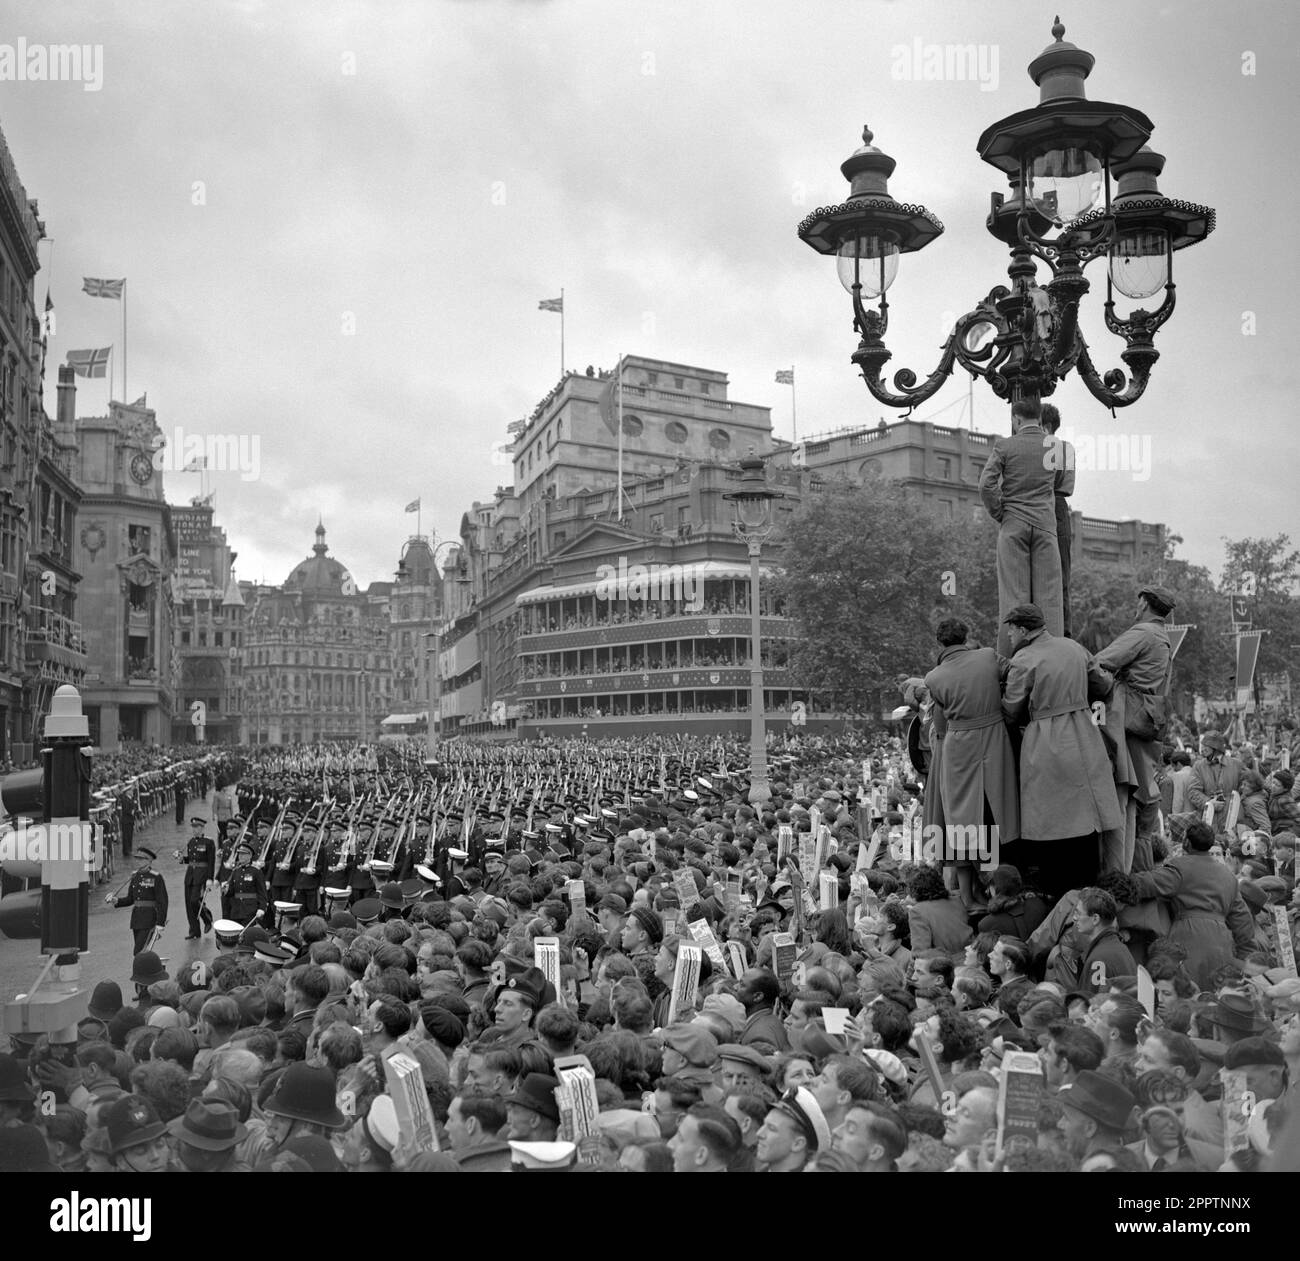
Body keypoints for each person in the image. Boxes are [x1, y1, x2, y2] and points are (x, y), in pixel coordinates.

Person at [1001, 604, 1123, 898]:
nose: (1007, 634)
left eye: (1010, 628)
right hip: (1084, 734)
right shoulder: (1074, 647)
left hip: (1046, 741)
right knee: (1086, 818)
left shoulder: (1023, 659)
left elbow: (1011, 709)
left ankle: (1057, 895)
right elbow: (1103, 685)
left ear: (1022, 629)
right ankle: (1089, 891)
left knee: (1051, 820)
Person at [923, 617, 1020, 907]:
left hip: (957, 749)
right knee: (995, 813)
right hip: (995, 739)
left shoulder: (934, 678)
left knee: (963, 824)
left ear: (940, 642)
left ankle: (969, 896)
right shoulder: (989, 656)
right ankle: (991, 889)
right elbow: (1018, 673)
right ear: (966, 636)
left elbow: (940, 726)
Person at [1092, 585, 1177, 875]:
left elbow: (1098, 662)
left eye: (1138, 601)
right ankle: (1122, 873)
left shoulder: (1143, 632)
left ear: (1144, 604)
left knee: (1117, 797)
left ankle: (1114, 874)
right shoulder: (1164, 638)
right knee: (1129, 801)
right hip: (1143, 723)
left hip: (1122, 720)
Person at [979, 398, 1066, 656]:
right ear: (1039, 419)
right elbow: (1059, 481)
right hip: (1045, 526)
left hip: (1013, 524)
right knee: (1049, 598)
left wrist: (1001, 513)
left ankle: (1010, 663)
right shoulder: (1055, 447)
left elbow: (986, 485)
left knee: (1013, 598)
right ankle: (1053, 658)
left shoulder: (1005, 446)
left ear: (1016, 420)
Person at [1127, 819, 1256, 989]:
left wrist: (1118, 880)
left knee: (1183, 993)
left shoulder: (1179, 867)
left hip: (1187, 937)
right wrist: (1246, 957)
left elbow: (1146, 884)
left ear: (1186, 842)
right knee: (1214, 995)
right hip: (1221, 943)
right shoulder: (1227, 875)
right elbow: (1243, 923)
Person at [1039, 402, 1074, 637]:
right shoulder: (1066, 449)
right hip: (1059, 507)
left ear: (1046, 425)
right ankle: (1064, 632)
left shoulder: (1052, 447)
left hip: (1047, 504)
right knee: (1061, 575)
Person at [111, 849, 168, 955]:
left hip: (149, 919)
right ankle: (148, 969)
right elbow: (131, 899)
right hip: (136, 919)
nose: (138, 861)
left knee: (139, 952)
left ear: (149, 861)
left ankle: (142, 970)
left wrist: (160, 923)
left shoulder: (156, 877)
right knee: (143, 952)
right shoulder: (135, 876)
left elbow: (162, 901)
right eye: (137, 859)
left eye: (141, 859)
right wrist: (117, 901)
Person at [178, 816, 217, 940]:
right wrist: (181, 859)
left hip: (202, 876)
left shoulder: (209, 842)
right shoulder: (191, 842)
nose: (194, 830)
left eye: (197, 827)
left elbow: (211, 861)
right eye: (193, 827)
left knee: (195, 901)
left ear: (202, 828)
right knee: (189, 904)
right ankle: (194, 931)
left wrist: (210, 878)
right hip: (190, 875)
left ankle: (207, 919)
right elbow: (190, 859)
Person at [222, 841, 268, 925]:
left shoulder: (256, 871)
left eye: (243, 854)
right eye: (239, 854)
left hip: (250, 910)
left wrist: (262, 908)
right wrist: (226, 889)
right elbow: (232, 892)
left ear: (250, 855)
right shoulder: (236, 871)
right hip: (236, 910)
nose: (240, 856)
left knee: (246, 935)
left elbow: (262, 892)